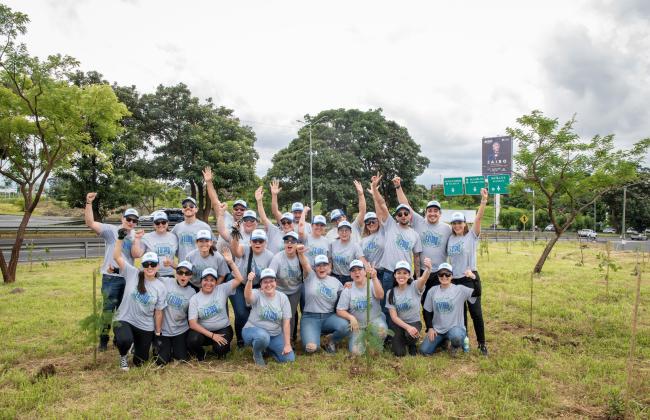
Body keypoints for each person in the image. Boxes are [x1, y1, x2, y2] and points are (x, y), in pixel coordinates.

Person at [84, 192, 138, 352]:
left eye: (134, 221)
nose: (131, 222)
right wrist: (88, 203)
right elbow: (90, 222)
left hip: (127, 278)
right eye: (128, 219)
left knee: (124, 311)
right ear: (123, 219)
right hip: (111, 278)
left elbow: (136, 255)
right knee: (108, 310)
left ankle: (119, 338)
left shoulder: (134, 235)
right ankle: (103, 340)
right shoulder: (110, 231)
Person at [370, 174, 422, 330]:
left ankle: (404, 330)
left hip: (406, 275)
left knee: (405, 304)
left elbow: (417, 257)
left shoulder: (414, 234)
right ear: (396, 217)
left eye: (406, 213)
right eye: (400, 214)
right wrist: (374, 188)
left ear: (410, 216)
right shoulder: (390, 226)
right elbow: (381, 204)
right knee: (386, 305)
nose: (403, 216)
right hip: (388, 273)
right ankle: (388, 334)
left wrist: (417, 276)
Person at [112, 232, 167, 371]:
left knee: (140, 362)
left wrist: (158, 334)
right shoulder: (133, 274)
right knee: (124, 340)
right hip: (125, 319)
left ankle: (135, 346)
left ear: (158, 266)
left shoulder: (160, 286)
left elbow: (159, 312)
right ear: (142, 265)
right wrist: (119, 239)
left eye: (153, 264)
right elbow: (117, 257)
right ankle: (123, 355)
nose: (149, 267)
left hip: (145, 325)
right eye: (146, 264)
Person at [393, 176, 452, 304]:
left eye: (436, 211)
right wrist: (398, 187)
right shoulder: (419, 222)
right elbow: (405, 205)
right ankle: (429, 324)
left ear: (440, 213)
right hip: (422, 272)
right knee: (424, 302)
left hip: (439, 272)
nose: (432, 213)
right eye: (430, 211)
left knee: (439, 301)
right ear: (426, 212)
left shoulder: (447, 228)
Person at [447, 188, 489, 355]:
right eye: (454, 223)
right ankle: (462, 342)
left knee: (476, 313)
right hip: (455, 280)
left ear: (465, 223)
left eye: (460, 222)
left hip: (469, 278)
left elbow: (478, 218)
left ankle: (482, 344)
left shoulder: (471, 236)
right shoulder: (450, 238)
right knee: (459, 315)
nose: (457, 225)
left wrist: (483, 201)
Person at [186, 248, 244, 361]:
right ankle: (200, 353)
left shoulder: (222, 289)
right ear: (201, 281)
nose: (208, 283)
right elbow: (192, 324)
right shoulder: (195, 298)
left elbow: (239, 279)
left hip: (222, 328)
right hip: (204, 332)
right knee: (192, 340)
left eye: (212, 280)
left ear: (216, 282)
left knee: (221, 350)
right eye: (205, 280)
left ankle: (217, 348)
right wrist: (212, 336)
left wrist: (231, 262)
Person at [420, 262, 480, 356]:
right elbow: (427, 311)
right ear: (438, 276)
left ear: (452, 276)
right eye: (441, 274)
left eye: (447, 274)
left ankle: (455, 346)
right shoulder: (432, 291)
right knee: (424, 350)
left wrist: (474, 278)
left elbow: (477, 293)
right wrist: (430, 328)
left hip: (455, 328)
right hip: (438, 330)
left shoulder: (460, 289)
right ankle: (443, 341)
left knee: (456, 337)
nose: (444, 276)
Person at [228, 228, 275, 348]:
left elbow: (270, 276)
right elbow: (235, 250)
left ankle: (254, 337)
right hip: (239, 284)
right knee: (241, 313)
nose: (257, 243)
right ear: (250, 242)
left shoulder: (270, 256)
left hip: (257, 286)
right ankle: (240, 340)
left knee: (255, 313)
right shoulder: (245, 248)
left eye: (261, 241)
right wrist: (235, 233)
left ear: (266, 242)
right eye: (255, 241)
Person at [297, 252, 349, 353]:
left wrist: (350, 284)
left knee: (345, 327)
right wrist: (301, 253)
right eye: (318, 265)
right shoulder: (310, 276)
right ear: (314, 267)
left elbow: (345, 296)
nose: (322, 268)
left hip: (329, 317)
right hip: (310, 318)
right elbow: (305, 264)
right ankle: (314, 340)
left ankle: (330, 340)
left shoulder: (335, 282)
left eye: (324, 265)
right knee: (310, 348)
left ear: (329, 266)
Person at [242, 268, 295, 366]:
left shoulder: (282, 298)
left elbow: (286, 323)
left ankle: (266, 350)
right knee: (262, 337)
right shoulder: (257, 293)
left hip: (275, 335)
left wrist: (287, 344)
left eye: (271, 281)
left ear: (276, 282)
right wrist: (249, 281)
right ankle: (257, 353)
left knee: (289, 359)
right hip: (253, 330)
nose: (268, 284)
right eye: (265, 282)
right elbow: (247, 296)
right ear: (261, 285)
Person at [336, 260, 386, 355]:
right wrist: (351, 317)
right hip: (358, 325)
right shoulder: (348, 290)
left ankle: (374, 340)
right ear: (350, 274)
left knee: (381, 333)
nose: (357, 272)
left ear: (365, 271)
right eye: (353, 270)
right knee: (357, 352)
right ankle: (359, 337)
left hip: (374, 319)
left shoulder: (373, 283)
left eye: (359, 269)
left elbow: (380, 296)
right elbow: (340, 310)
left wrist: (374, 278)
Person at [385, 258, 432, 357]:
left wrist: (428, 269)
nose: (401, 275)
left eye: (405, 273)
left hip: (414, 322)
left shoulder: (415, 286)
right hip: (398, 324)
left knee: (411, 336)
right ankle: (402, 339)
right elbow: (394, 317)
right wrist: (408, 327)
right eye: (399, 273)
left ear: (409, 275)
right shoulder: (390, 293)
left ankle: (412, 344)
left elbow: (423, 279)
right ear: (395, 275)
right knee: (399, 353)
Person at [154, 260, 196, 365]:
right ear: (176, 273)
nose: (183, 275)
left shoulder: (192, 292)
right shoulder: (166, 281)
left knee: (182, 359)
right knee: (161, 361)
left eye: (187, 273)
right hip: (164, 330)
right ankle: (162, 348)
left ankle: (176, 348)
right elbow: (150, 276)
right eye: (180, 272)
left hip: (180, 330)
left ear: (190, 276)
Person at [268, 231, 306, 339]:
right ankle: (277, 338)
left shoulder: (300, 257)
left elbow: (308, 272)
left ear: (297, 244)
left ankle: (289, 339)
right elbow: (270, 275)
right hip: (280, 290)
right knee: (278, 315)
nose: (289, 243)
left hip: (295, 290)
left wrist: (302, 254)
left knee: (290, 315)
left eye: (293, 241)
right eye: (286, 241)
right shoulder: (278, 257)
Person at [132, 210, 178, 278]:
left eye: (163, 222)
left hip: (168, 275)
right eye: (157, 223)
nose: (160, 225)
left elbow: (179, 255)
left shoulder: (174, 237)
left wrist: (172, 264)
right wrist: (137, 239)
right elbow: (137, 255)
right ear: (153, 224)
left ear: (167, 223)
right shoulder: (147, 237)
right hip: (151, 274)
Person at [171, 196, 212, 262]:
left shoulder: (204, 227)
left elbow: (212, 245)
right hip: (183, 267)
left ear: (196, 209)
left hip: (200, 265)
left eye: (191, 206)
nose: (188, 208)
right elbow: (170, 242)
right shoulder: (177, 227)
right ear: (182, 209)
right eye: (185, 206)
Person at [256, 185, 294, 254]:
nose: (286, 224)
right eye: (283, 222)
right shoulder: (275, 231)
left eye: (289, 222)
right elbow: (264, 218)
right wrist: (259, 201)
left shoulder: (297, 236)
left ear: (293, 223)